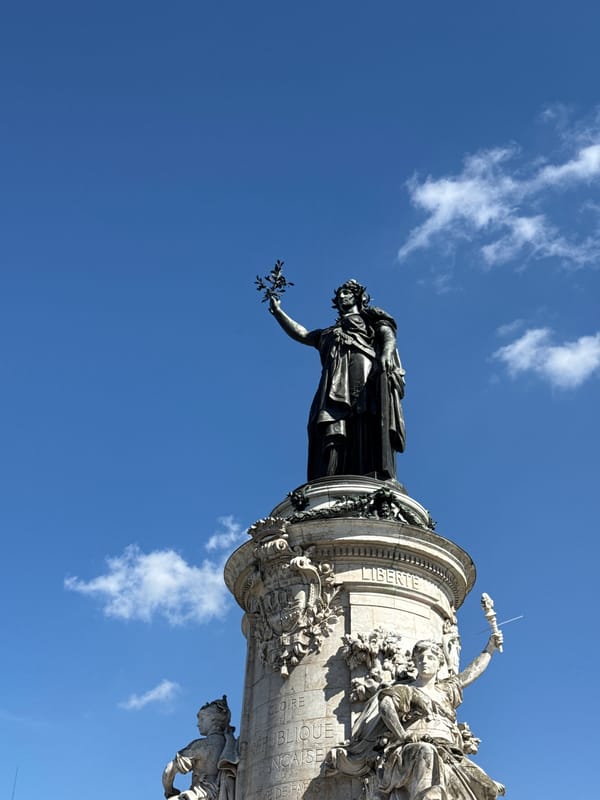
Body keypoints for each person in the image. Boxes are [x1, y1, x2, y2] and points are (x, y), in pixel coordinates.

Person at [325, 634, 505, 800]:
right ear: (415, 663)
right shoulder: (407, 690)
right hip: (410, 751)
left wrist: (489, 648)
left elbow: (470, 674)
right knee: (426, 752)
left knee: (488, 787)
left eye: (431, 658)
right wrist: (403, 735)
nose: (425, 662)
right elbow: (386, 706)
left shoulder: (446, 690)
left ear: (439, 663)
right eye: (420, 659)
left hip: (450, 753)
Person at [269, 280, 405, 481]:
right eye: (340, 295)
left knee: (364, 412)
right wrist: (278, 312)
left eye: (347, 293)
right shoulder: (328, 333)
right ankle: (332, 472)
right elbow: (303, 334)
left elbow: (388, 335)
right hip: (334, 379)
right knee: (331, 419)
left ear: (358, 297)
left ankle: (369, 466)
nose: (342, 297)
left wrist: (385, 353)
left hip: (362, 367)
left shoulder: (369, 318)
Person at [162, 696, 238, 800]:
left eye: (202, 719)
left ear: (213, 719)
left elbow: (169, 770)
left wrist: (169, 790)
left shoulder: (201, 745)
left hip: (199, 796)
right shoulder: (232, 744)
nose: (198, 724)